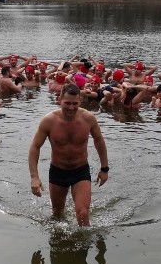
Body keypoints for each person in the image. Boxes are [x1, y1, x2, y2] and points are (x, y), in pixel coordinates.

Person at [28, 84, 109, 227]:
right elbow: (35, 147)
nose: (71, 107)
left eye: (75, 103)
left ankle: (84, 246)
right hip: (58, 171)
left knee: (83, 214)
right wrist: (34, 177)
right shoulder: (49, 120)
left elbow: (99, 141)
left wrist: (104, 169)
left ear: (80, 101)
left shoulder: (88, 118)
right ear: (60, 100)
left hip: (80, 170)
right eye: (67, 103)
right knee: (57, 213)